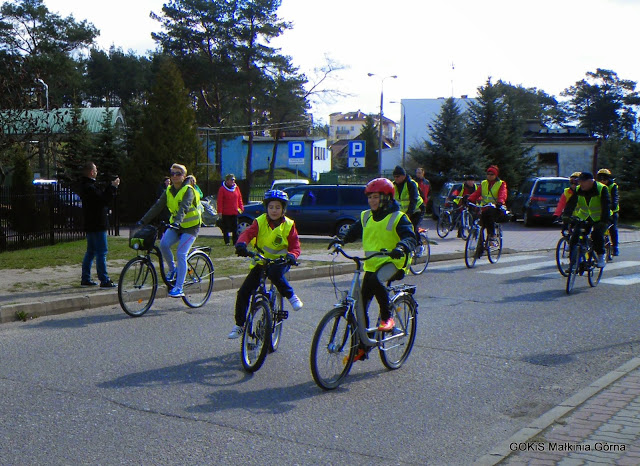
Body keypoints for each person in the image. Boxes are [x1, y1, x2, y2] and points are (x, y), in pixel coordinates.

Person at [330, 178, 417, 361]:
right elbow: (352, 232)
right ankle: (363, 346)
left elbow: (410, 237)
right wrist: (341, 240)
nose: (372, 201)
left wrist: (401, 247)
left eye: (376, 197)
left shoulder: (398, 217)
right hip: (372, 264)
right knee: (360, 305)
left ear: (386, 198)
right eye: (369, 197)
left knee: (376, 280)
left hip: (395, 262)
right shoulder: (366, 216)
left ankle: (387, 318)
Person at [228, 190, 303, 339]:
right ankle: (239, 325)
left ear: (283, 209)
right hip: (262, 261)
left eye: (278, 207)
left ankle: (291, 296)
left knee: (274, 274)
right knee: (243, 292)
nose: (274, 210)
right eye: (271, 207)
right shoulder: (259, 221)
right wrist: (241, 244)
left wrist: (292, 256)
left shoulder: (289, 225)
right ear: (266, 208)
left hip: (281, 261)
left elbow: (295, 246)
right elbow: (247, 233)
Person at [138, 163, 202, 298]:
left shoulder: (188, 190)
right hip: (176, 226)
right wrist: (143, 221)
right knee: (163, 244)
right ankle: (173, 270)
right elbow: (157, 206)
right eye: (172, 173)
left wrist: (177, 221)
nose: (174, 176)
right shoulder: (168, 191)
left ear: (184, 176)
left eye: (178, 174)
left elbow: (184, 207)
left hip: (191, 227)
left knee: (181, 253)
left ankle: (179, 287)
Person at [79, 161, 120, 288]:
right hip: (97, 224)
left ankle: (86, 278)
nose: (97, 172)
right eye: (95, 170)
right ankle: (104, 279)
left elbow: (101, 197)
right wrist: (113, 187)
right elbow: (103, 200)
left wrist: (109, 187)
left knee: (91, 252)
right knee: (101, 252)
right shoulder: (90, 187)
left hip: (90, 224)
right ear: (91, 172)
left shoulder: (85, 186)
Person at [562, 172, 611, 268]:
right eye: (579, 182)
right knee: (575, 237)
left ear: (590, 181)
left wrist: (604, 221)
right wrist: (566, 215)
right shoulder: (578, 189)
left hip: (600, 218)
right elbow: (571, 204)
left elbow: (606, 206)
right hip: (584, 216)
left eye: (582, 182)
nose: (580, 184)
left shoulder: (601, 188)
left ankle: (601, 257)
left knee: (597, 235)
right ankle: (573, 263)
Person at [467, 165, 508, 243]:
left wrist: (500, 202)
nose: (489, 176)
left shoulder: (501, 183)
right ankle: (480, 244)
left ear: (496, 175)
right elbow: (477, 193)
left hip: (495, 207)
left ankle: (492, 235)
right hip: (484, 207)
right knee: (479, 221)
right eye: (488, 174)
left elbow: (502, 194)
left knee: (489, 218)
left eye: (492, 174)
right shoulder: (484, 183)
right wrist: (469, 199)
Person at [392, 165, 424, 237]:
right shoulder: (393, 185)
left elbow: (414, 199)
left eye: (397, 176)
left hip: (417, 210)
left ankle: (418, 243)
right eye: (394, 177)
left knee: (413, 229)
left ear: (403, 176)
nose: (396, 178)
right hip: (404, 212)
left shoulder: (411, 184)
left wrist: (409, 213)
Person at [596, 168, 620, 256]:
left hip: (612, 211)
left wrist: (613, 205)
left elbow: (615, 197)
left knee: (613, 229)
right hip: (601, 210)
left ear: (608, 178)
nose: (602, 181)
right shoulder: (597, 186)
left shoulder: (613, 186)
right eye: (600, 179)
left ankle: (615, 247)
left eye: (604, 179)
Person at [217, 173, 244, 246]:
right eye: (231, 180)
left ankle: (235, 242)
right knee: (226, 228)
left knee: (235, 228)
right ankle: (227, 242)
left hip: (234, 212)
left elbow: (239, 199)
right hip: (225, 212)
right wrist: (220, 211)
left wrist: (241, 207)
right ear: (227, 180)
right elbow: (220, 201)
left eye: (234, 180)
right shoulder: (222, 189)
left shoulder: (236, 188)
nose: (233, 181)